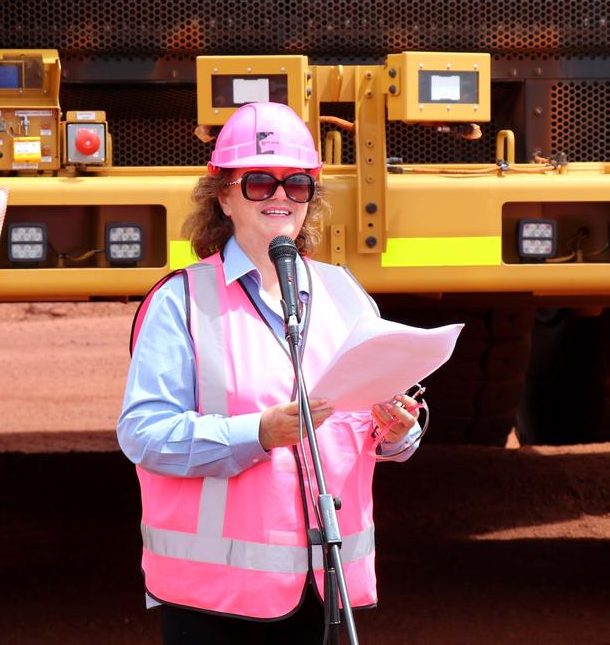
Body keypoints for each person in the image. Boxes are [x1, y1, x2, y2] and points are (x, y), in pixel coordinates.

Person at [118, 101, 424, 644]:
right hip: (215, 600)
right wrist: (257, 434)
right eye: (259, 181)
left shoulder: (343, 294)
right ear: (225, 195)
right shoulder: (181, 301)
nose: (280, 196)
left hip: (327, 589)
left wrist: (397, 432)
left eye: (297, 184)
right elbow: (144, 434)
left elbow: (368, 425)